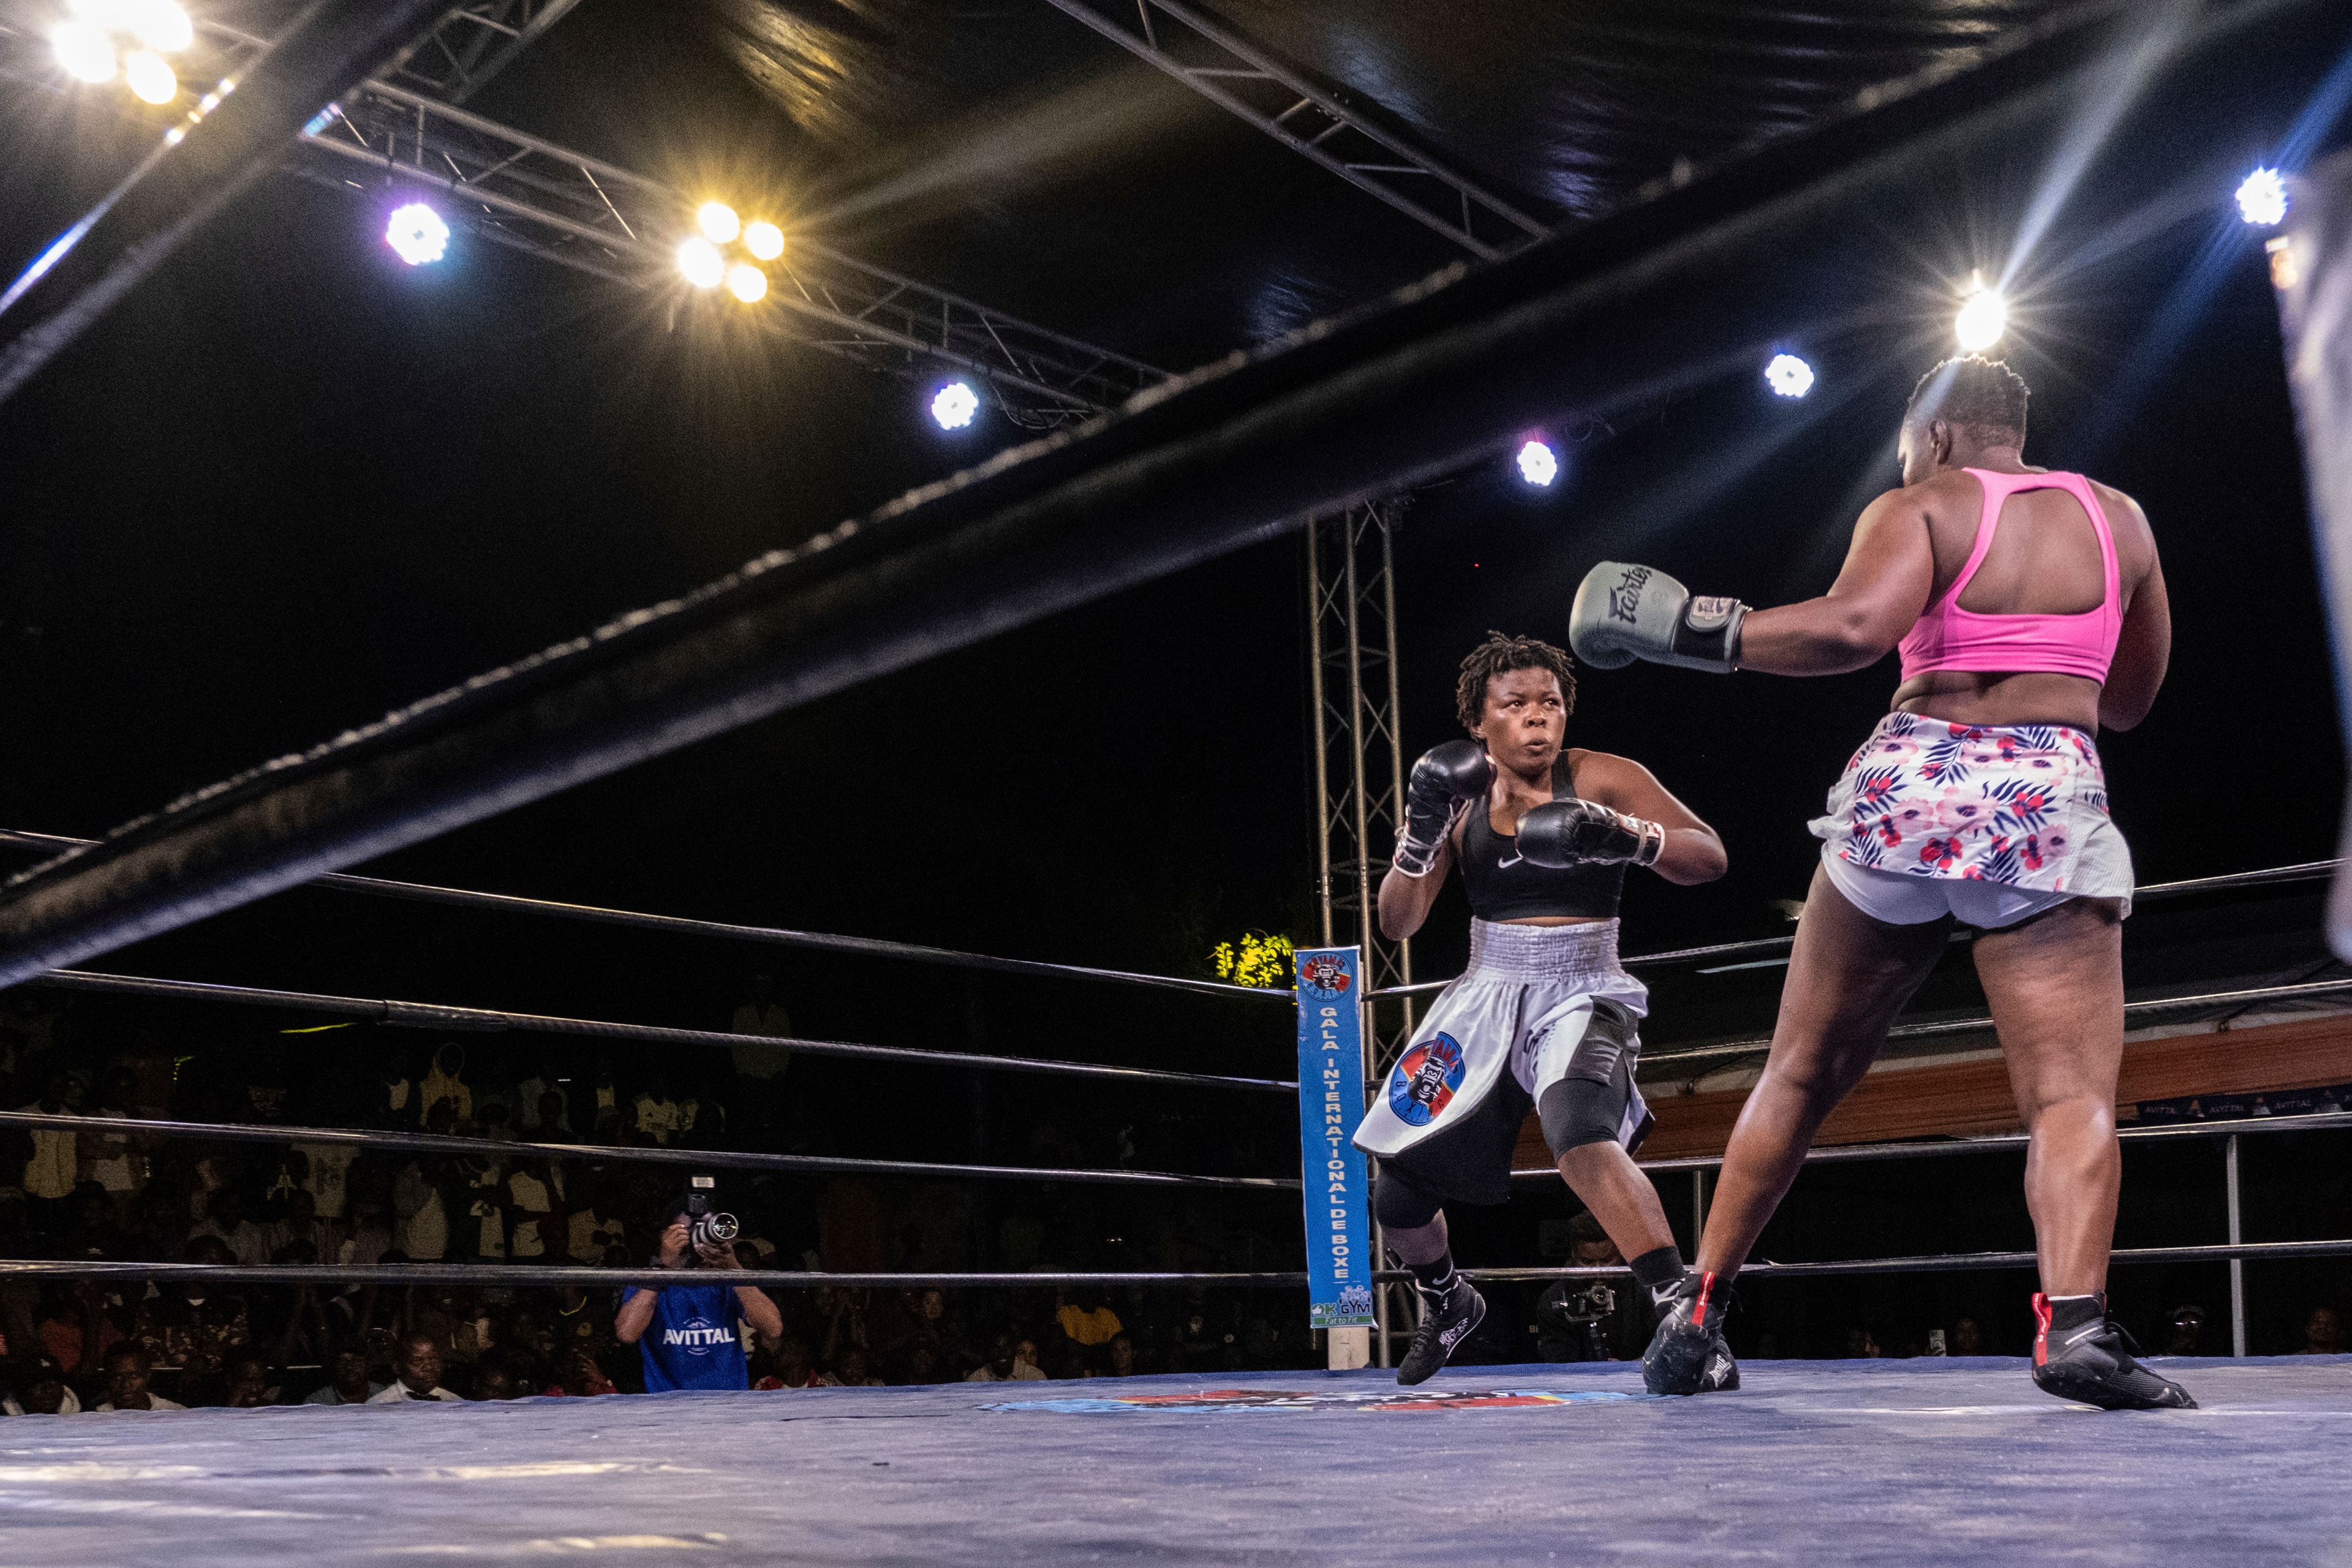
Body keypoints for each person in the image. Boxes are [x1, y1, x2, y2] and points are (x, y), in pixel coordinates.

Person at [1573, 355, 2185, 1410]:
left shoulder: (1927, 502)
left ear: (1937, 434)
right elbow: (2130, 702)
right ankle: (2075, 1329)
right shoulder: (2120, 520)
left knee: (1799, 1074)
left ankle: (1698, 1315)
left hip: (1911, 785)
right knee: (2068, 1096)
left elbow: (1851, 630)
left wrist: (1688, 629)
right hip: (2041, 795)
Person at [1354, 631, 1727, 1385]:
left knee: (1580, 1132)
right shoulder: (1456, 798)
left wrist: (1630, 836)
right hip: (1486, 988)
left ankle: (1687, 1323)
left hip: (1584, 985)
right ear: (1480, 722)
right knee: (1396, 1192)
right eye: (1516, 704)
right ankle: (1449, 1299)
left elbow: (1709, 855)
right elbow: (1397, 923)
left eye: (1550, 703)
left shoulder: (1604, 776)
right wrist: (1419, 837)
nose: (1537, 719)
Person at [614, 1192, 784, 1392]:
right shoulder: (649, 1282)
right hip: (669, 1404)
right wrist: (663, 1268)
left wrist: (734, 1269)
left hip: (730, 1402)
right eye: (689, 1230)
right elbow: (626, 1334)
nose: (698, 1237)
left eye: (705, 1229)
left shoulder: (727, 1280)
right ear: (666, 1236)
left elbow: (774, 1329)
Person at [367, 1333, 465, 1403]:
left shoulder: (454, 1402)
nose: (429, 1367)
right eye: (418, 1361)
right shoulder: (381, 1405)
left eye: (434, 1359)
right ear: (397, 1367)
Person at [92, 1343, 184, 1412]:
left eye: (134, 1376)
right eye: (117, 1377)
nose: (125, 1384)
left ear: (148, 1376)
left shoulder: (174, 1413)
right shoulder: (99, 1416)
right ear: (107, 1379)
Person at [302, 1347, 386, 1406]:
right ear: (334, 1366)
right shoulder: (317, 1403)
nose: (349, 1367)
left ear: (369, 1365)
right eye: (342, 1362)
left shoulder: (387, 1396)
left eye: (357, 1361)